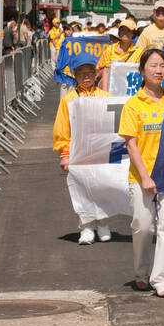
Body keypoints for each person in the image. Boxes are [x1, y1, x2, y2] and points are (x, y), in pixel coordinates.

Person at [119, 49, 164, 296]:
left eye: (163, 66)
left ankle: (162, 280)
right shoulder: (133, 105)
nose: (159, 70)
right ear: (142, 70)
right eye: (153, 65)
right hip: (141, 176)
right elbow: (131, 144)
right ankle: (140, 272)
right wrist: (145, 177)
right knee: (143, 227)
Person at [53, 60, 112, 245]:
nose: (86, 77)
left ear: (96, 75)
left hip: (101, 151)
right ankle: (86, 227)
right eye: (81, 73)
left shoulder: (106, 96)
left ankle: (103, 224)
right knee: (82, 190)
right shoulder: (68, 99)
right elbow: (62, 129)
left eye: (89, 73)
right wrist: (64, 154)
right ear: (75, 76)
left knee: (102, 189)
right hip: (78, 152)